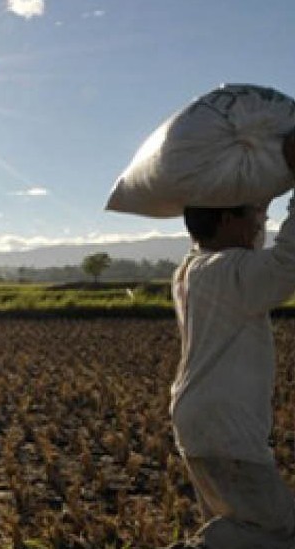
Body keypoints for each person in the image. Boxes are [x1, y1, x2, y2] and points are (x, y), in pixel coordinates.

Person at [167, 130, 295, 548]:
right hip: (227, 429)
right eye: (253, 215)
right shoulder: (230, 273)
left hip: (199, 423)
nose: (261, 223)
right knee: (275, 531)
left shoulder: (192, 269)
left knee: (239, 526)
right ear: (225, 220)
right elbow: (286, 263)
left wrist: (265, 191)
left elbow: (250, 244)